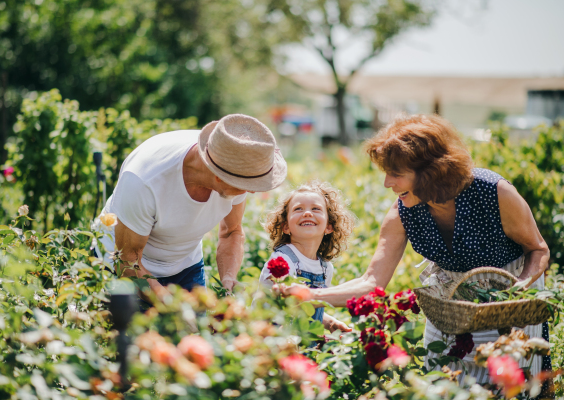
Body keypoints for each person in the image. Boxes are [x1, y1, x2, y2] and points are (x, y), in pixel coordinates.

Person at [278, 114, 551, 383]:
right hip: (449, 299)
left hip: (507, 294)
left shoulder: (493, 192)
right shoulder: (403, 213)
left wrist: (517, 292)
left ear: (431, 172)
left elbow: (538, 249)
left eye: (396, 174)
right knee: (443, 377)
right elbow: (372, 282)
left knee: (504, 379)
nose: (387, 183)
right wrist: (310, 295)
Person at [97, 114, 287, 304]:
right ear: (219, 176)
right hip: (125, 266)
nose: (252, 191)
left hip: (185, 265)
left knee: (195, 332)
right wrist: (173, 306)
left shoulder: (238, 160)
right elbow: (128, 260)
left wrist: (228, 277)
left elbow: (231, 231)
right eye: (246, 184)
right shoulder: (144, 180)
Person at [259, 181, 354, 333]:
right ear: (286, 227)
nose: (307, 213)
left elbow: (307, 309)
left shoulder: (325, 269)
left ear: (329, 226)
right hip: (272, 340)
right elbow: (280, 310)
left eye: (316, 208)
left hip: (304, 346)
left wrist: (329, 322)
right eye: (298, 209)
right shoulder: (281, 261)